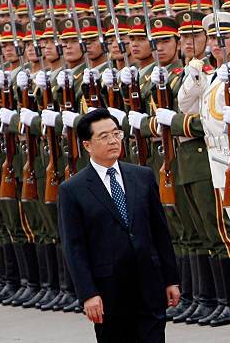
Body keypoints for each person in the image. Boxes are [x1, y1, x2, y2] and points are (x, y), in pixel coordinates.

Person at [57, 108, 180, 342]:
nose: (113, 140)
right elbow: (74, 248)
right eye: (103, 136)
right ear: (87, 145)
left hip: (149, 286)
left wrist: (170, 279)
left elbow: (160, 231)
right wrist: (88, 294)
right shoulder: (73, 189)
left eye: (116, 133)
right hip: (108, 293)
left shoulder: (142, 176)